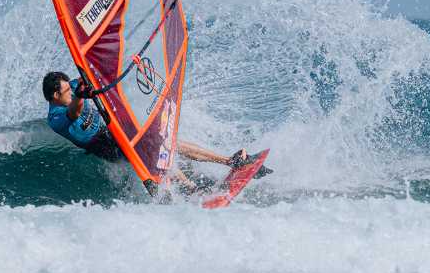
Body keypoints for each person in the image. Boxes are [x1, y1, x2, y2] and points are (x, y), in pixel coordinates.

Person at [42, 71, 267, 188]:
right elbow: (74, 110)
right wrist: (81, 95)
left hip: (113, 129)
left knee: (166, 141)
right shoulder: (56, 118)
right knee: (155, 150)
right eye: (66, 91)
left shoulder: (70, 87)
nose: (70, 90)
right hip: (102, 146)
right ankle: (189, 188)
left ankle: (229, 161)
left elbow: (87, 77)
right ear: (55, 96)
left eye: (71, 88)